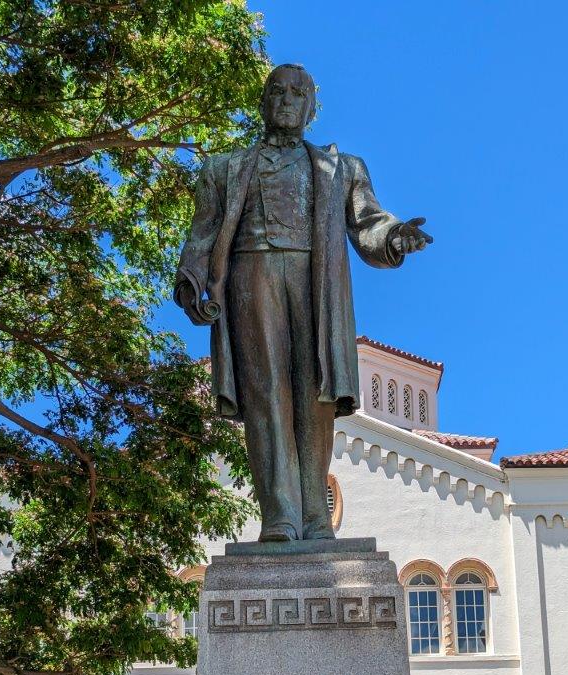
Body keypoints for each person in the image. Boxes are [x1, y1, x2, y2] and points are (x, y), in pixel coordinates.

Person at [175, 64, 432, 542]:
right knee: (265, 394)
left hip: (317, 281)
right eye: (277, 91)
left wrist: (396, 236)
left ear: (312, 108)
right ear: (263, 102)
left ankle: (315, 516)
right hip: (251, 277)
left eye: (299, 93)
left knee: (316, 393)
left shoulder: (343, 169)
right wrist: (192, 282)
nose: (287, 100)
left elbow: (369, 223)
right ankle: (280, 516)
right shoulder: (224, 169)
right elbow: (202, 236)